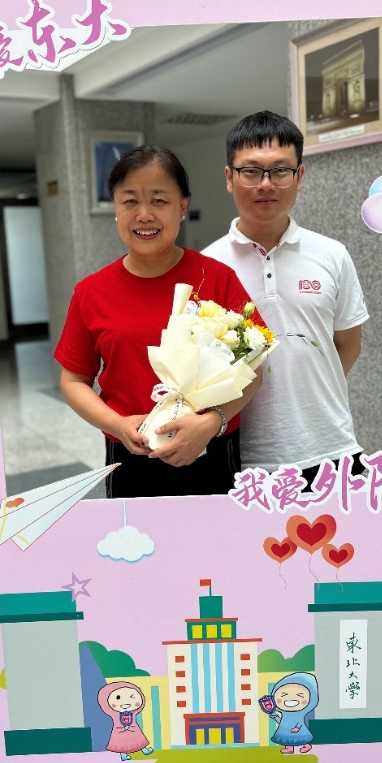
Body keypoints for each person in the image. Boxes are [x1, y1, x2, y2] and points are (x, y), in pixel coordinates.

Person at [54, 145, 263, 499]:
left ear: (182, 207)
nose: (144, 214)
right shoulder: (91, 292)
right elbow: (73, 381)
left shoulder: (217, 278)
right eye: (130, 201)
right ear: (115, 208)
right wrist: (118, 424)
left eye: (159, 201)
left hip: (210, 448)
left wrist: (212, 422)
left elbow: (255, 367)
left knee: (216, 536)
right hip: (131, 455)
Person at [203, 111, 368, 487]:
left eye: (280, 171)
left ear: (300, 176)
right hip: (242, 455)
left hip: (330, 447)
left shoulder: (332, 255)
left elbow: (348, 344)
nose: (266, 184)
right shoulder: (207, 266)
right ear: (229, 178)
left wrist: (308, 388)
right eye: (250, 171)